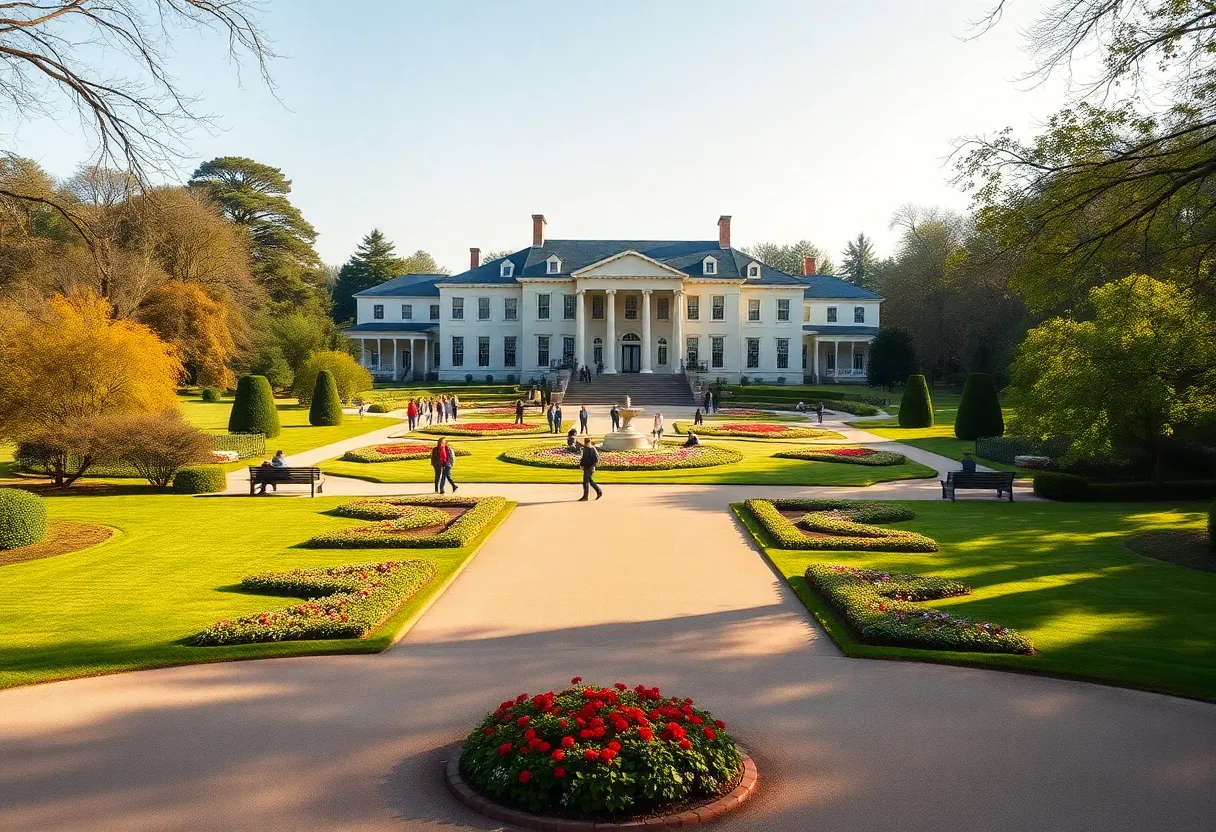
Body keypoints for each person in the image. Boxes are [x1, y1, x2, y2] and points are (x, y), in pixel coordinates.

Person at [578, 437, 602, 501]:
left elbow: (589, 459)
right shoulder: (589, 448)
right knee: (590, 481)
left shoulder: (589, 449)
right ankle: (598, 491)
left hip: (588, 467)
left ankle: (585, 496)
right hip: (589, 466)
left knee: (586, 481)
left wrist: (583, 465)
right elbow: (586, 458)